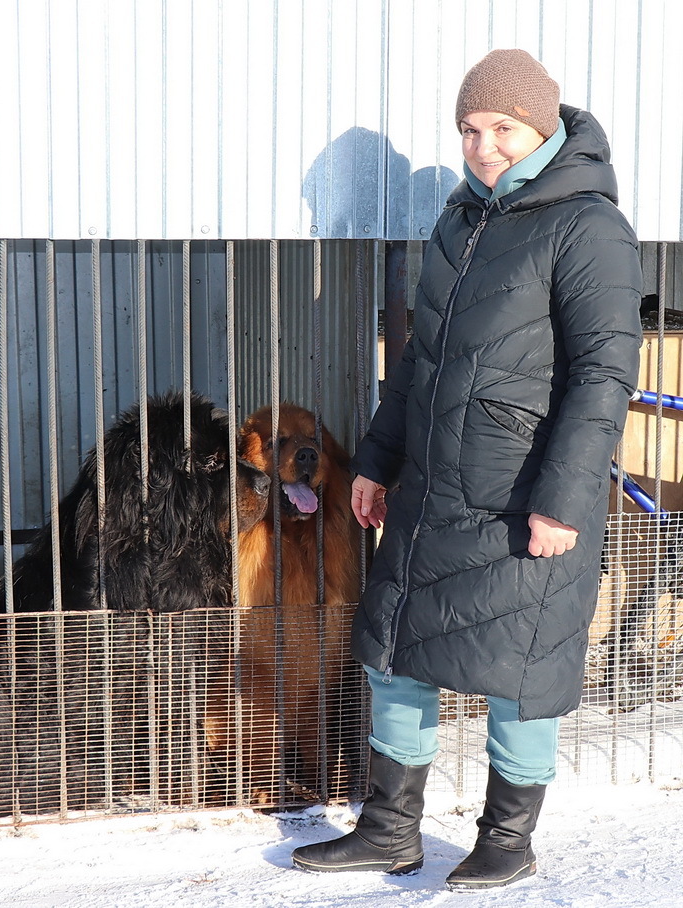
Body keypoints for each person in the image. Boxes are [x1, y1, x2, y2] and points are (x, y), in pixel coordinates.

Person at [291, 48, 643, 890]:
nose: (483, 145)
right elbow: (418, 360)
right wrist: (375, 462)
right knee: (393, 650)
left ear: (544, 126)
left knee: (519, 671)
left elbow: (604, 374)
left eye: (502, 128)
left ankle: (508, 840)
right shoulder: (459, 219)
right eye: (469, 129)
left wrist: (562, 501)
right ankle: (389, 830)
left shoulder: (589, 226)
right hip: (436, 486)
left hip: (525, 495)